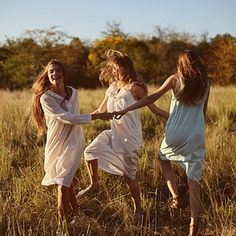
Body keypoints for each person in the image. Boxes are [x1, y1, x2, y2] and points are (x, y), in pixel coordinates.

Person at [114, 50, 210, 236]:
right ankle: (193, 225)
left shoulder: (175, 79)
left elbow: (151, 98)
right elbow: (203, 112)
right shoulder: (205, 83)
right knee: (193, 181)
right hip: (196, 134)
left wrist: (127, 109)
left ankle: (175, 198)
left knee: (163, 158)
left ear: (182, 64)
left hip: (175, 133)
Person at [77, 49, 168, 225]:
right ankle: (94, 184)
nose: (116, 71)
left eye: (119, 68)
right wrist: (79, 120)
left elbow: (153, 107)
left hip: (129, 138)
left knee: (129, 177)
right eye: (113, 68)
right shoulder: (112, 88)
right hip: (113, 134)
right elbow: (101, 110)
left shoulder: (135, 88)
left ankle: (139, 210)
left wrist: (173, 118)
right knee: (90, 151)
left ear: (127, 68)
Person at [31, 59, 114, 231]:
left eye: (58, 70)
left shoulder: (74, 93)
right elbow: (67, 117)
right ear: (47, 75)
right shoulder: (46, 98)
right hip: (56, 143)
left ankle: (63, 225)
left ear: (64, 73)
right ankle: (76, 214)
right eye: (51, 72)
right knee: (67, 180)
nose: (55, 74)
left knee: (63, 182)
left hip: (74, 142)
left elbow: (74, 117)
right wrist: (96, 117)